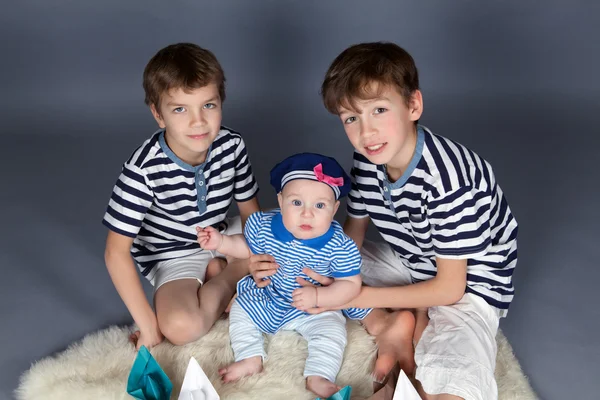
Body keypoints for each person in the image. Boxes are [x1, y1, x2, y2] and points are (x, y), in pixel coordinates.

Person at [198, 153, 414, 398]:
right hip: (270, 295)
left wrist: (319, 296)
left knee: (332, 331)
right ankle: (250, 357)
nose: (307, 214)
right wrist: (221, 242)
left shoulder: (339, 245)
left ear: (334, 209)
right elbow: (247, 248)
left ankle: (319, 375)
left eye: (319, 205)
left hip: (312, 308)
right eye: (297, 203)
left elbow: (350, 285)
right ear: (280, 202)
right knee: (242, 310)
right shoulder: (264, 226)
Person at [102, 43, 260, 350]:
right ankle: (233, 274)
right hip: (174, 256)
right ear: (158, 115)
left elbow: (250, 212)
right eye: (180, 109)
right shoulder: (143, 169)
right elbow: (115, 253)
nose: (197, 121)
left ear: (221, 102)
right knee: (181, 326)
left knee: (296, 227)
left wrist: (261, 249)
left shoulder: (232, 145)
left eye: (208, 106)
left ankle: (225, 268)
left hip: (223, 234)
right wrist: (149, 328)